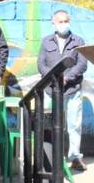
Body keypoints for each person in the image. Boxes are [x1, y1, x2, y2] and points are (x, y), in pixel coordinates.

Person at [37, 10, 88, 171]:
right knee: (52, 125)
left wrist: (67, 77)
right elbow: (41, 64)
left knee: (73, 125)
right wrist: (54, 77)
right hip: (51, 91)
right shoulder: (46, 42)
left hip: (72, 90)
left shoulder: (78, 41)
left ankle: (74, 158)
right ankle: (54, 157)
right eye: (60, 21)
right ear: (54, 23)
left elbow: (82, 64)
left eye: (65, 21)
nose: (63, 24)